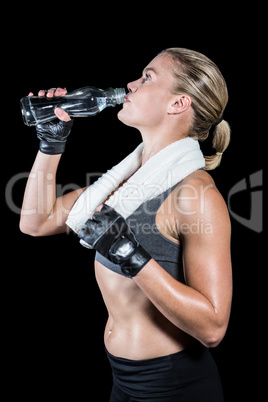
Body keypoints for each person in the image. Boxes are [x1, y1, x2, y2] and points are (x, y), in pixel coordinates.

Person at [20, 48, 232, 401]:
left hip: (173, 386)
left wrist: (129, 254)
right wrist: (51, 144)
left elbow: (213, 327)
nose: (131, 84)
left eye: (147, 77)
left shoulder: (196, 195)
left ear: (179, 103)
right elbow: (36, 222)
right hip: (123, 380)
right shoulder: (127, 182)